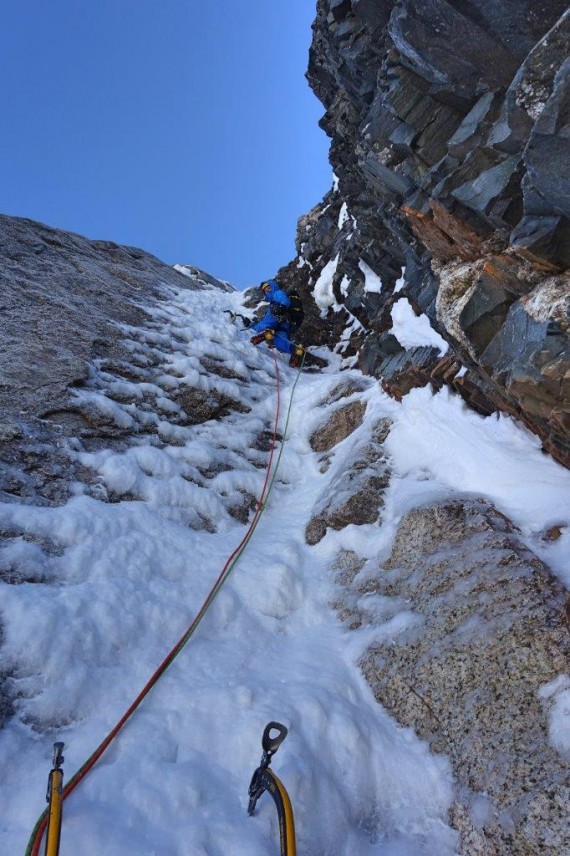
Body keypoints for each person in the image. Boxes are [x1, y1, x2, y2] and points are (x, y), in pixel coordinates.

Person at [249, 280, 305, 367]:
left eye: (268, 287)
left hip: (278, 317)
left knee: (267, 321)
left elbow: (286, 301)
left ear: (273, 286)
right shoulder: (274, 298)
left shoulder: (277, 293)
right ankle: (295, 350)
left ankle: (265, 332)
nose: (268, 290)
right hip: (285, 324)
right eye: (265, 290)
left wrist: (281, 308)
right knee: (280, 343)